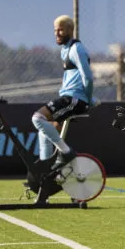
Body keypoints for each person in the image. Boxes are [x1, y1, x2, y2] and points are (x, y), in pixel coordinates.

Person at [32, 15, 94, 170]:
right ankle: (45, 171)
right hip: (68, 97)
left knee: (37, 118)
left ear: (70, 30)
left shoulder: (76, 49)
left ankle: (66, 152)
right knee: (44, 131)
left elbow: (88, 78)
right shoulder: (65, 50)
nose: (57, 33)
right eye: (55, 30)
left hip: (74, 99)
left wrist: (88, 100)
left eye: (60, 29)